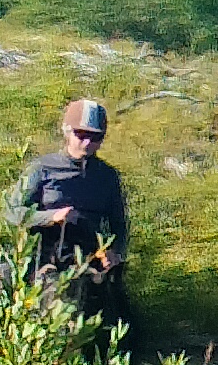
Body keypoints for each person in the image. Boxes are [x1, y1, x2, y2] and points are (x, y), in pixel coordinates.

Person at [10, 96, 132, 347]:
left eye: (95, 137)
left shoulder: (107, 177)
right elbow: (12, 212)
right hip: (45, 257)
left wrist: (116, 252)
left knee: (120, 327)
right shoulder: (42, 169)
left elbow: (119, 224)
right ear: (67, 131)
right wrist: (50, 217)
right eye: (81, 134)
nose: (87, 142)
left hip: (90, 258)